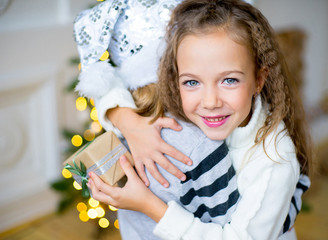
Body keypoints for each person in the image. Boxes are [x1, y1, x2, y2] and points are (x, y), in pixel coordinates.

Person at [86, 0, 312, 239]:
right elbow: (105, 86)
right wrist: (130, 124)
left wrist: (149, 206)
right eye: (192, 82)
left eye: (229, 80)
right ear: (175, 80)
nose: (210, 101)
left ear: (259, 79)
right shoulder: (183, 104)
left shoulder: (274, 159)